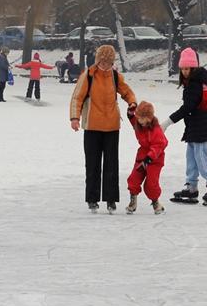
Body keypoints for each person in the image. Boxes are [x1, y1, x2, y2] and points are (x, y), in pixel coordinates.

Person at [69, 44, 136, 214]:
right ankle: (92, 199)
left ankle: (111, 200)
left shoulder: (115, 76)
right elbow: (77, 97)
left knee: (112, 164)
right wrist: (75, 118)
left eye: (108, 62)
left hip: (112, 126)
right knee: (92, 164)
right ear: (97, 60)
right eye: (102, 62)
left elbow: (126, 91)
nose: (105, 65)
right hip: (92, 126)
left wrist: (132, 102)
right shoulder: (89, 75)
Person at [162, 47, 207, 206]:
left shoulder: (195, 85)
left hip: (201, 127)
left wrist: (167, 122)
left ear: (193, 68)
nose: (185, 72)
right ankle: (191, 187)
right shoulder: (193, 82)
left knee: (201, 158)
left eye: (187, 68)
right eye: (182, 69)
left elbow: (187, 108)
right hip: (195, 127)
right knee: (191, 158)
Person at [125, 101, 168, 215]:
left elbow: (160, 145)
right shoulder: (138, 124)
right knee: (133, 179)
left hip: (155, 159)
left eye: (142, 118)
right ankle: (133, 201)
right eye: (138, 118)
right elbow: (132, 119)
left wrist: (148, 159)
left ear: (149, 118)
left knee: (151, 184)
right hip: (142, 155)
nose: (139, 121)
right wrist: (130, 112)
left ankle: (155, 202)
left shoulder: (156, 130)